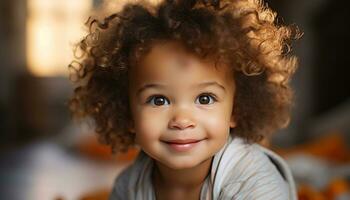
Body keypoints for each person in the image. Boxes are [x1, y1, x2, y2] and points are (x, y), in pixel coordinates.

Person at [69, 0, 301, 199]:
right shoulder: (128, 187)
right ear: (128, 113)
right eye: (158, 100)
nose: (182, 120)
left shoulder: (252, 180)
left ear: (235, 109)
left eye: (205, 98)